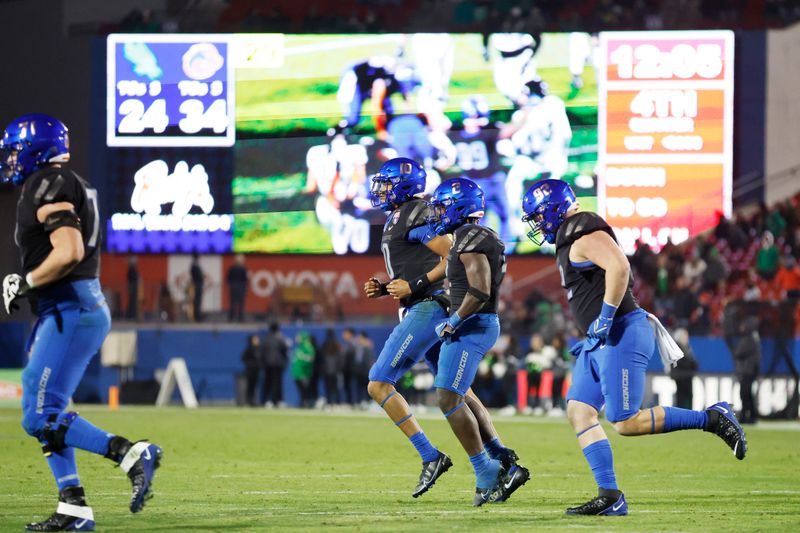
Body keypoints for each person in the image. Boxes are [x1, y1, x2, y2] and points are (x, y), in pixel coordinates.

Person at [520, 179, 748, 516]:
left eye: (539, 217)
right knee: (579, 410)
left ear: (553, 209)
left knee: (625, 421)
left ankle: (712, 418)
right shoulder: (570, 239)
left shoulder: (581, 231)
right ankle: (610, 496)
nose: (539, 225)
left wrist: (606, 317)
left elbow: (620, 266)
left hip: (621, 330)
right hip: (599, 339)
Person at [0, 114, 162, 531]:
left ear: (36, 149)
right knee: (48, 413)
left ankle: (128, 453)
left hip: (69, 309)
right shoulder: (74, 183)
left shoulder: (46, 183)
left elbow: (69, 249)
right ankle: (73, 507)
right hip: (74, 307)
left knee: (37, 416)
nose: (12, 159)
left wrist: (27, 281)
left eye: (17, 150)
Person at [365, 158, 527, 503]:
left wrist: (416, 284)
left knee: (379, 383)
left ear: (404, 186)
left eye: (386, 184)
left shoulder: (415, 212)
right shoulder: (402, 216)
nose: (380, 191)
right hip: (425, 304)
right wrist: (391, 286)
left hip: (430, 306)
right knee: (459, 391)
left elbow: (451, 254)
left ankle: (431, 455)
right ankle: (501, 458)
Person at [427, 177, 529, 505]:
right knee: (458, 395)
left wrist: (454, 320)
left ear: (459, 207)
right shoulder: (469, 236)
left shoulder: (470, 236)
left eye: (443, 206)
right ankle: (502, 460)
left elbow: (480, 289)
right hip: (474, 323)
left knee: (447, 396)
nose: (438, 212)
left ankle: (486, 471)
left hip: (472, 325)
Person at [733, 317, 761, 424]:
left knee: (744, 393)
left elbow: (738, 353)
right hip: (750, 370)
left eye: (743, 326)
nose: (741, 328)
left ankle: (746, 416)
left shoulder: (749, 339)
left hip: (748, 370)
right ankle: (751, 416)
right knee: (748, 393)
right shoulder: (754, 337)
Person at [262, 322, 289, 408]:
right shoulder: (280, 338)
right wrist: (285, 361)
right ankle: (277, 401)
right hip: (277, 364)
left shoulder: (266, 338)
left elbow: (263, 352)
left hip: (268, 364)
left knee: (268, 382)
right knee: (277, 383)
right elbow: (285, 350)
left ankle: (267, 400)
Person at [670, 328, 699, 409]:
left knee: (686, 396)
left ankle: (686, 415)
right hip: (681, 376)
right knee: (682, 397)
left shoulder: (686, 347)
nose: (687, 338)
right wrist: (691, 363)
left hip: (686, 375)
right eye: (685, 336)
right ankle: (683, 416)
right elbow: (681, 362)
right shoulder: (677, 348)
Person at [291, 332, 316, 408]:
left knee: (305, 390)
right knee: (301, 390)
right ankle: (303, 403)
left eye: (299, 337)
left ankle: (307, 403)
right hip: (298, 373)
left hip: (304, 373)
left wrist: (305, 372)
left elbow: (310, 360)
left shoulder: (308, 347)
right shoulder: (300, 347)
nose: (297, 339)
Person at [241, 335, 262, 407]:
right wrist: (251, 364)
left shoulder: (259, 349)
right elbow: (243, 358)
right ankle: (248, 401)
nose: (257, 341)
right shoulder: (249, 349)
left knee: (254, 386)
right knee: (249, 386)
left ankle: (253, 401)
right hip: (250, 371)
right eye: (255, 339)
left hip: (256, 371)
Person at [227, 254, 248, 322]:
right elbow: (245, 280)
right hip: (240, 288)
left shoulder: (233, 269)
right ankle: (239, 318)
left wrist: (231, 285)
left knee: (234, 303)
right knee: (238, 303)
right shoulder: (243, 269)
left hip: (234, 288)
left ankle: (232, 318)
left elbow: (228, 279)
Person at [190, 252, 205, 322]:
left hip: (198, 284)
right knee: (197, 300)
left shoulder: (195, 265)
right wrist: (202, 276)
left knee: (198, 300)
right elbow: (198, 276)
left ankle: (198, 315)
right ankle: (197, 316)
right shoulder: (194, 265)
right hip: (197, 284)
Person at [126, 255, 140, 320]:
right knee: (132, 302)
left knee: (133, 302)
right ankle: (131, 315)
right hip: (132, 288)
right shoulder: (131, 270)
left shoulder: (133, 269)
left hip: (133, 288)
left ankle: (132, 315)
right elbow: (132, 279)